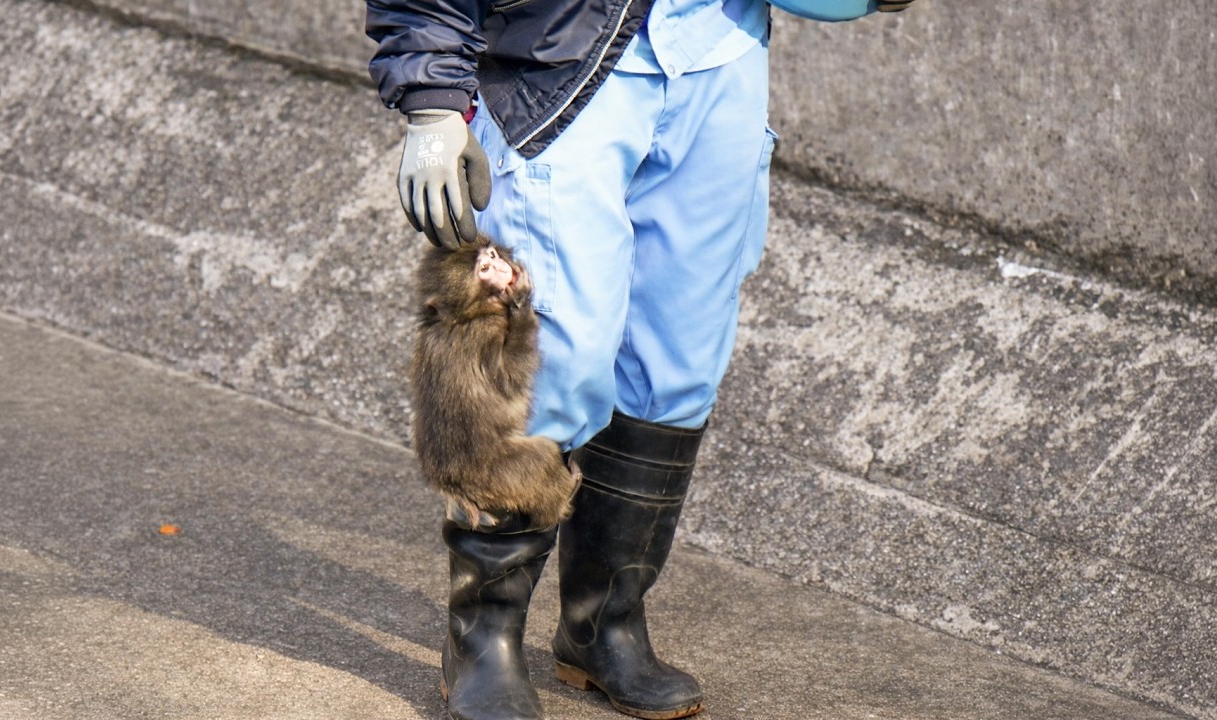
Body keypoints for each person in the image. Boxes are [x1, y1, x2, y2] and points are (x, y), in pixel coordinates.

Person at [366, 1, 913, 718]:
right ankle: (482, 639)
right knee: (548, 362)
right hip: (560, 62)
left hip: (718, 50)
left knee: (678, 360)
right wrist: (433, 96)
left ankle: (603, 625)